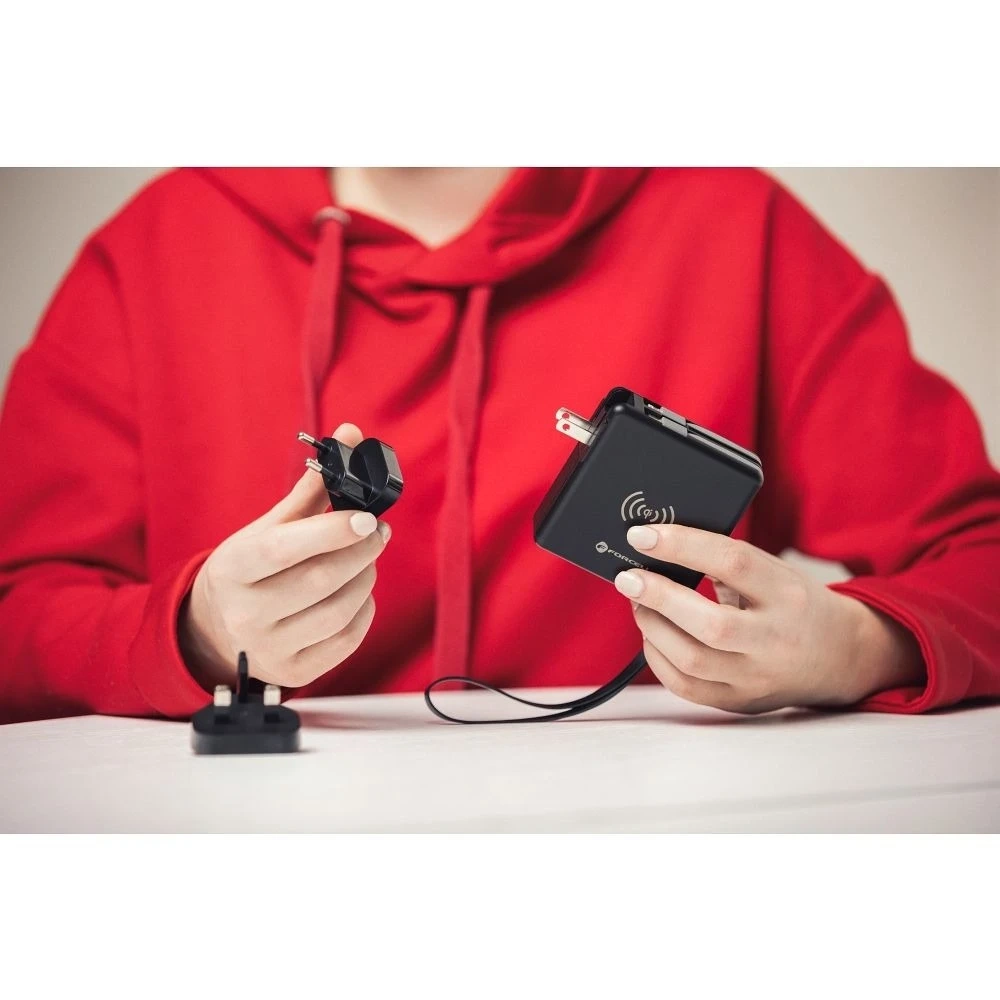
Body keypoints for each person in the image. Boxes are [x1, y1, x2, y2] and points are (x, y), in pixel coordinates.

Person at [1, 167, 998, 725]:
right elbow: (17, 617)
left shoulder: (740, 225)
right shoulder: (153, 250)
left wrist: (853, 646)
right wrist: (193, 636)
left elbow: (981, 560)